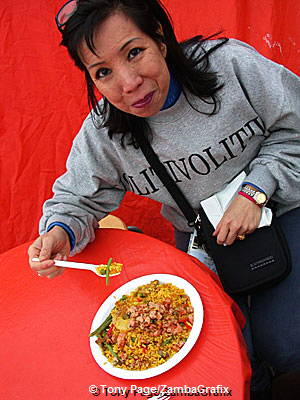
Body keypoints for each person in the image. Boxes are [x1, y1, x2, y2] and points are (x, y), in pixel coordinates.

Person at [28, 0, 300, 398]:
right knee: (222, 352)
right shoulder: (104, 132)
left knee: (284, 345)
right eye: (103, 72)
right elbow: (76, 200)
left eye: (133, 52)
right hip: (203, 239)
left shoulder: (229, 67)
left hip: (282, 208)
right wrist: (58, 233)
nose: (128, 84)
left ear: (159, 35)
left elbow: (295, 129)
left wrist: (255, 190)